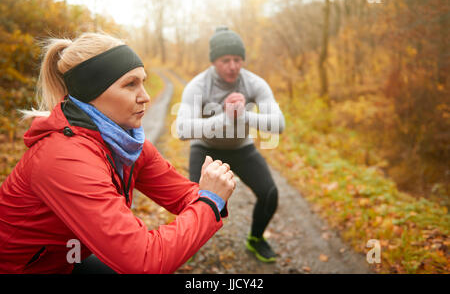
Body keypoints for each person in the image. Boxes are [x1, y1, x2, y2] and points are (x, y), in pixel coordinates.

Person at [0, 32, 236, 274]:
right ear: (92, 92)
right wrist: (209, 201)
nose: (145, 96)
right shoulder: (63, 159)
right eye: (130, 84)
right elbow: (144, 261)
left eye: (143, 82)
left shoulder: (127, 142)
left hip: (66, 261)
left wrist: (211, 191)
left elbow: (183, 195)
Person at [176, 27, 285, 263]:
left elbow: (279, 124)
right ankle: (186, 245)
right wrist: (225, 118)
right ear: (214, 61)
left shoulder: (254, 83)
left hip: (241, 148)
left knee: (270, 193)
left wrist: (243, 116)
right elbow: (182, 129)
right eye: (226, 60)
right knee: (193, 200)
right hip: (206, 149)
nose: (233, 66)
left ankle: (256, 239)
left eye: (237, 60)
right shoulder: (198, 86)